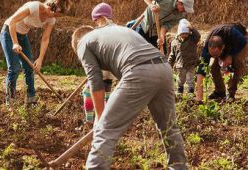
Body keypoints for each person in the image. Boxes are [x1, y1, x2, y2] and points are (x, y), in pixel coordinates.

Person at [71, 11, 187, 169]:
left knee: (105, 130)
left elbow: (95, 81)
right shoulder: (114, 31)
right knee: (168, 127)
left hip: (139, 70)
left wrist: (100, 118)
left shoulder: (83, 43)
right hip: (164, 69)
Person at [0, 0, 71, 106]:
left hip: (22, 35)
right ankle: (11, 100)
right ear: (50, 8)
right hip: (9, 32)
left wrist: (40, 59)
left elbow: (45, 39)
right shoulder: (33, 7)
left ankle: (31, 99)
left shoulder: (51, 19)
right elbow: (12, 21)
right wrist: (15, 43)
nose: (53, 18)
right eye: (54, 14)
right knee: (14, 68)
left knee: (30, 67)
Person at [127, 0, 194, 54]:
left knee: (162, 55)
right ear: (180, 3)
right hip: (144, 25)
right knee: (137, 51)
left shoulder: (180, 16)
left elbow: (166, 26)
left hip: (156, 32)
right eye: (184, 8)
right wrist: (151, 5)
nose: (185, 11)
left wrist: (161, 37)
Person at [196, 23, 248, 102]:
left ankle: (231, 93)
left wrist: (231, 55)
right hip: (224, 43)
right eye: (212, 55)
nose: (215, 57)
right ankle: (220, 92)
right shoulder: (206, 48)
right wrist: (199, 95)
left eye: (216, 54)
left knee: (237, 63)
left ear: (223, 47)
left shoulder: (234, 34)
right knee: (213, 66)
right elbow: (201, 69)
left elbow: (244, 42)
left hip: (240, 42)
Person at [168, 19, 201, 96]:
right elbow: (172, 54)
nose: (184, 35)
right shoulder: (174, 42)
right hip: (180, 64)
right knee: (181, 79)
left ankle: (190, 91)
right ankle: (180, 90)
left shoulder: (193, 39)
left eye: (186, 33)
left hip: (191, 63)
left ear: (189, 33)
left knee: (190, 78)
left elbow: (198, 35)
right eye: (182, 33)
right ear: (179, 33)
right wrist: (169, 64)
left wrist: (192, 29)